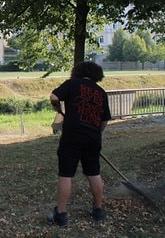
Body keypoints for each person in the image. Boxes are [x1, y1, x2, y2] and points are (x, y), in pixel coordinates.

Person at [48, 61, 112, 227]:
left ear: (77, 72)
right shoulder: (101, 92)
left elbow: (54, 97)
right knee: (93, 172)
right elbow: (104, 121)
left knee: (66, 174)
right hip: (93, 137)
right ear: (96, 75)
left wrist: (57, 108)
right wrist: (95, 134)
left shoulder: (72, 84)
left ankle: (60, 215)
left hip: (72, 136)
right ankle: (98, 211)